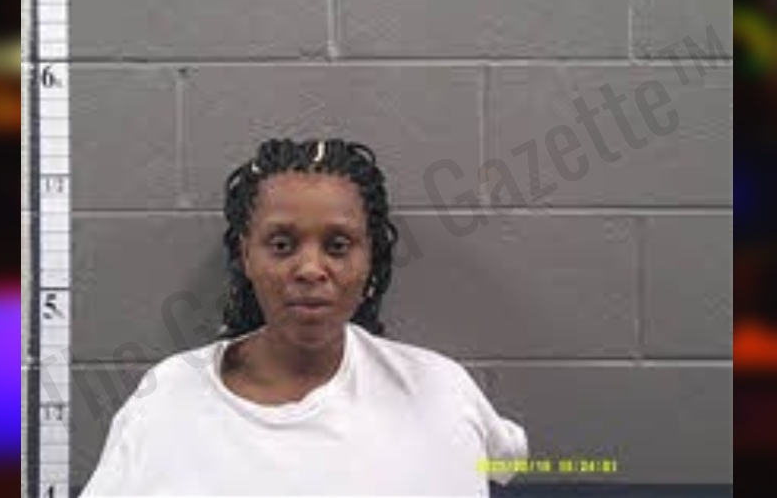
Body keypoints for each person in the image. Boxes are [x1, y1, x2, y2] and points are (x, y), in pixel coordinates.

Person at [80, 138, 528, 496]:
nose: (311, 269)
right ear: (246, 255)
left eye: (338, 246)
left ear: (370, 257)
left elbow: (508, 462)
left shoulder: (440, 389)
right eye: (282, 245)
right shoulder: (169, 398)